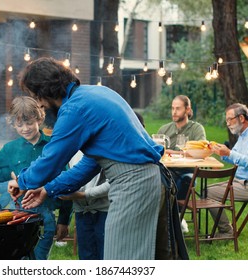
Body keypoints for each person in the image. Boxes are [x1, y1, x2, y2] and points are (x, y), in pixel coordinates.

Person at [11, 57, 165, 260]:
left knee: (120, 260)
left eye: (36, 96)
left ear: (45, 91)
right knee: (132, 257)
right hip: (144, 180)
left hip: (133, 183)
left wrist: (21, 182)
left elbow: (51, 159)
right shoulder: (96, 93)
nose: (40, 105)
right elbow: (89, 165)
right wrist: (48, 190)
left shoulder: (74, 109)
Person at [0, 96, 72, 260]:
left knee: (37, 262)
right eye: (19, 125)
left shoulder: (53, 146)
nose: (25, 128)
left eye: (29, 123)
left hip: (46, 219)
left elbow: (67, 182)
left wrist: (64, 220)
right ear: (13, 124)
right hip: (18, 217)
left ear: (39, 118)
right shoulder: (11, 149)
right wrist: (10, 179)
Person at [208, 103, 248, 237]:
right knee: (205, 190)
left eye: (230, 119)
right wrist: (221, 152)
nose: (228, 123)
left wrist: (229, 153)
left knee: (208, 193)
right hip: (240, 182)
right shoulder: (244, 135)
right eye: (226, 120)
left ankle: (226, 231)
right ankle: (225, 229)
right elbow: (236, 158)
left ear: (241, 118)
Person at [61, 151, 110, 260]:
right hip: (82, 211)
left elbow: (115, 182)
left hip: (106, 210)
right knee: (86, 256)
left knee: (107, 255)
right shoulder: (73, 147)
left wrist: (83, 195)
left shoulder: (105, 145)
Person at [157, 95, 207, 201]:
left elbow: (201, 150)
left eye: (178, 108)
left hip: (186, 171)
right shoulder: (164, 130)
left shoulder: (196, 129)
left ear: (187, 109)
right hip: (166, 170)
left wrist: (173, 153)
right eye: (172, 108)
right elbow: (156, 150)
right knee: (159, 181)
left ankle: (177, 214)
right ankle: (168, 215)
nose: (174, 112)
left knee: (184, 181)